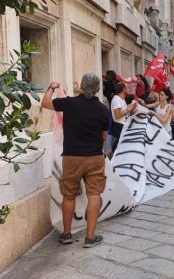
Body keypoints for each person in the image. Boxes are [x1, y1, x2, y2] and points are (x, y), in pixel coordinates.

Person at [41, 74, 109, 248]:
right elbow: (104, 136)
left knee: (69, 195)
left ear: (80, 86)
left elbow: (45, 103)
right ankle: (90, 237)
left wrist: (51, 87)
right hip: (94, 157)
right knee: (94, 194)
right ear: (98, 90)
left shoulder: (69, 103)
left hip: (72, 158)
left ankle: (66, 234)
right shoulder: (103, 109)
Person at [110, 82, 137, 154]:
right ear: (123, 89)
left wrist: (131, 108)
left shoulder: (122, 99)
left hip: (123, 126)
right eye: (127, 87)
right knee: (118, 151)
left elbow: (125, 111)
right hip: (119, 127)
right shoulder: (116, 99)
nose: (129, 89)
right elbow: (117, 115)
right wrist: (128, 109)